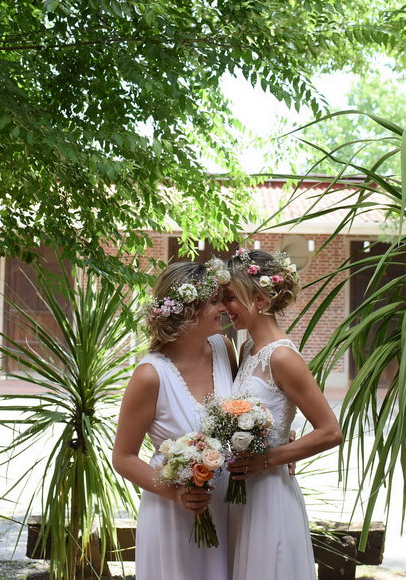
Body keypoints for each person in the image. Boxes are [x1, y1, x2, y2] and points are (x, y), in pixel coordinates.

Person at [222, 248, 343, 579]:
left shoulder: (283, 357)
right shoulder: (248, 350)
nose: (225, 307)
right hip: (242, 497)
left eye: (231, 298)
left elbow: (331, 431)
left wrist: (269, 457)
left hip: (270, 496)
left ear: (260, 299)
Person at [112, 260, 236, 580]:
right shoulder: (151, 375)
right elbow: (123, 457)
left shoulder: (224, 348)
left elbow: (246, 410)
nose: (223, 307)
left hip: (228, 510)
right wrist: (177, 494)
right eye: (214, 301)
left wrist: (280, 436)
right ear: (188, 311)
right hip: (173, 515)